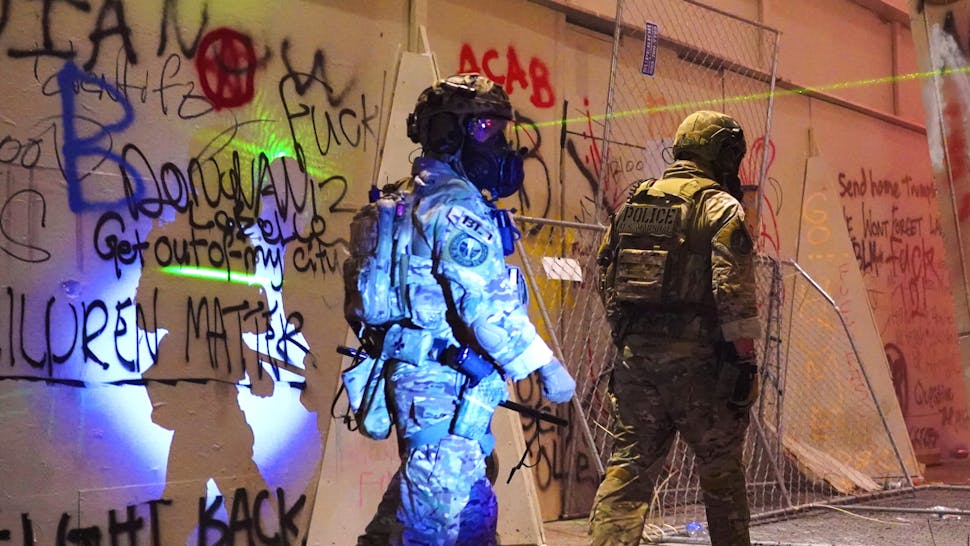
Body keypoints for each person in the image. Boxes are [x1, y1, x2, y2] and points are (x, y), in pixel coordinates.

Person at [344, 72, 576, 546]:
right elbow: (484, 308)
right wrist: (543, 364)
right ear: (450, 134)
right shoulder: (452, 205)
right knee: (433, 521)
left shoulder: (416, 195)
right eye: (487, 130)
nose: (500, 145)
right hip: (438, 386)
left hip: (438, 379)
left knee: (466, 510)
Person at [588, 110, 761, 546]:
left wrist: (627, 336)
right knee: (721, 476)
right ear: (721, 154)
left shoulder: (635, 203)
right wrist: (745, 363)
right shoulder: (720, 207)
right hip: (702, 368)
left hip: (636, 363)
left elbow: (605, 275)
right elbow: (732, 295)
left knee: (628, 472)